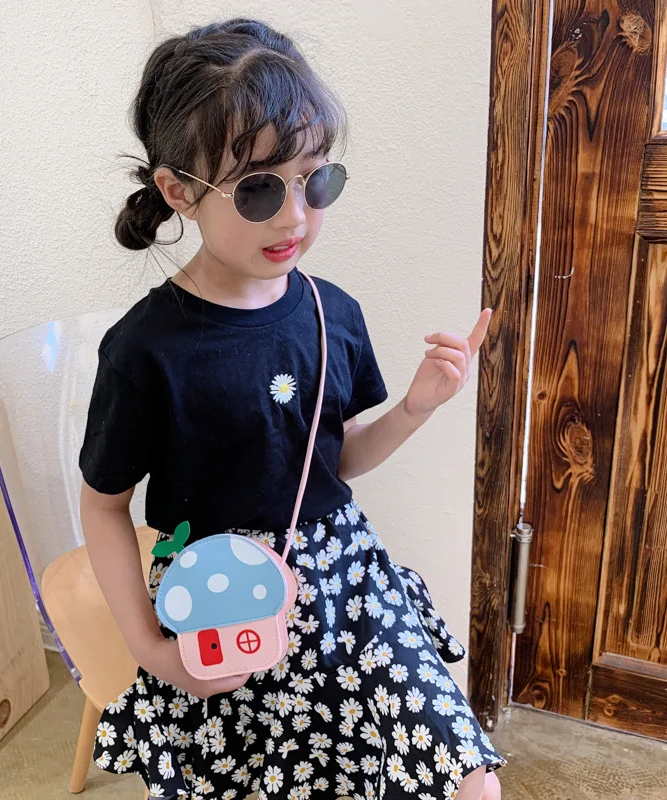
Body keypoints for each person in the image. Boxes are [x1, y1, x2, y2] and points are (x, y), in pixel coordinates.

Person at [79, 17, 504, 800]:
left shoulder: (331, 312)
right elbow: (104, 506)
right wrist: (148, 647)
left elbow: (334, 459)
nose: (295, 217)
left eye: (316, 180)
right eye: (259, 188)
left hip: (348, 584)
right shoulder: (144, 350)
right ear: (178, 191)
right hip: (218, 596)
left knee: (467, 780)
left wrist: (415, 408)